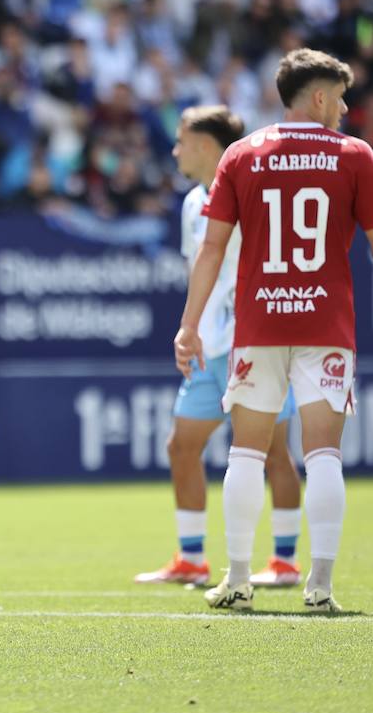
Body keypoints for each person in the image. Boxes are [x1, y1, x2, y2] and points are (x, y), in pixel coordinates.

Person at [175, 49, 371, 613]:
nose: (343, 107)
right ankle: (321, 586)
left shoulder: (242, 154)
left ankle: (236, 579)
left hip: (259, 323)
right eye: (338, 96)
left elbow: (211, 250)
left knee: (246, 453)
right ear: (316, 97)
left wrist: (189, 326)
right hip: (326, 323)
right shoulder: (356, 155)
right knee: (324, 454)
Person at [136, 106, 302, 588]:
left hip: (254, 345)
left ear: (207, 146)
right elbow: (198, 270)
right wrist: (190, 328)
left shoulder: (256, 194)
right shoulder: (192, 202)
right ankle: (191, 558)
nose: (175, 150)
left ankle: (286, 562)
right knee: (181, 446)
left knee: (275, 452)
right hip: (207, 348)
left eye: (182, 141)